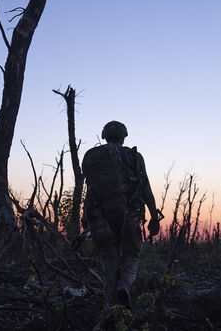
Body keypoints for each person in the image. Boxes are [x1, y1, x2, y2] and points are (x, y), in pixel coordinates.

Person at [81, 120, 161, 309]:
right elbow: (145, 188)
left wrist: (86, 218)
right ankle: (125, 284)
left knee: (109, 258)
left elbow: (90, 191)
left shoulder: (91, 156)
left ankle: (110, 304)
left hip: (100, 215)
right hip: (128, 213)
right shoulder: (134, 156)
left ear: (104, 136)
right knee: (132, 254)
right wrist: (154, 217)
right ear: (124, 137)